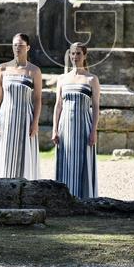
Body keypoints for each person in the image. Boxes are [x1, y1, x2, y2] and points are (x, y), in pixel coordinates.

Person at [53, 42, 99, 198]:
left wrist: (93, 131)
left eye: (78, 53)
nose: (75, 57)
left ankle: (83, 198)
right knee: (65, 161)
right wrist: (54, 129)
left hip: (83, 126)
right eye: (72, 53)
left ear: (84, 55)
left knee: (82, 163)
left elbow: (96, 107)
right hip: (64, 126)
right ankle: (63, 198)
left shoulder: (92, 79)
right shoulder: (62, 78)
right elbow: (58, 105)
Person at [0, 33, 41, 180]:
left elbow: (38, 99)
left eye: (20, 45)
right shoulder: (2, 68)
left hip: (25, 117)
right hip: (6, 116)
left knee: (23, 153)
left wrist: (35, 122)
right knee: (6, 152)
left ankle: (26, 188)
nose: (17, 48)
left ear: (28, 48)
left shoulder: (34, 70)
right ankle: (4, 185)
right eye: (15, 45)